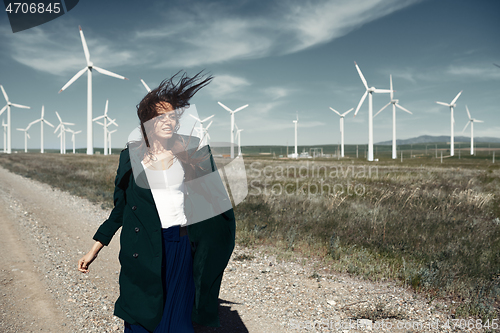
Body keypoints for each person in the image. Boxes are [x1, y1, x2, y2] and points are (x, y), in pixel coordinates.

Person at [78, 71, 236, 333]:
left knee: (178, 321)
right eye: (161, 116)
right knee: (142, 317)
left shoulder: (191, 155)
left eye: (173, 116)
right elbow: (120, 210)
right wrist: (94, 249)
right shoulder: (130, 159)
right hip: (144, 245)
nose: (169, 120)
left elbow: (213, 202)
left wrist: (217, 239)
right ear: (148, 121)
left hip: (181, 246)